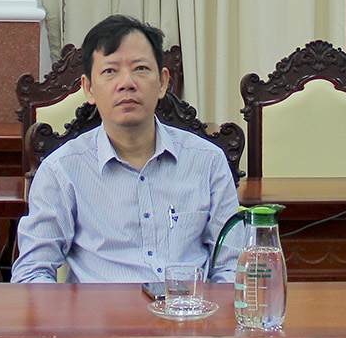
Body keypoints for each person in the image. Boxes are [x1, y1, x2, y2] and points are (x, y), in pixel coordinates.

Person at [14, 15, 240, 284]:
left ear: (162, 82)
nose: (127, 83)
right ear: (88, 88)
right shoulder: (61, 171)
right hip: (98, 310)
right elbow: (32, 273)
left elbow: (233, 266)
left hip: (186, 308)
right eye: (110, 71)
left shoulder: (208, 161)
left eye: (140, 68)